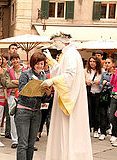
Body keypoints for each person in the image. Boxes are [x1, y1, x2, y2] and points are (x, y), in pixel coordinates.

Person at [42, 32, 93, 160]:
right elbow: (62, 70)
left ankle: (67, 155)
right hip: (63, 93)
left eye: (56, 42)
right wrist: (51, 60)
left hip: (70, 96)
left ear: (63, 41)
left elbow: (70, 76)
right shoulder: (67, 53)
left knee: (68, 127)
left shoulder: (70, 54)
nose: (54, 44)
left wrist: (52, 81)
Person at [15, 52, 51, 160]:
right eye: (37, 63)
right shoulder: (25, 74)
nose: (39, 66)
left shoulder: (44, 76)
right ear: (32, 63)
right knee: (23, 143)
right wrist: (33, 89)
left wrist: (48, 94)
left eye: (42, 63)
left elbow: (44, 99)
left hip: (36, 112)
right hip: (23, 111)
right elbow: (21, 92)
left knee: (31, 144)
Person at [5, 53, 28, 149]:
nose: (15, 61)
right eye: (13, 59)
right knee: (12, 117)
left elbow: (28, 82)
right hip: (12, 96)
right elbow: (8, 84)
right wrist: (20, 83)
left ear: (19, 59)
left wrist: (16, 82)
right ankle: (15, 140)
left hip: (24, 95)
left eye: (16, 59)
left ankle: (23, 139)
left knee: (24, 118)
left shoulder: (26, 69)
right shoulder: (9, 70)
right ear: (11, 61)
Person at [85, 56, 103, 138]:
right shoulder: (85, 71)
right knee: (88, 111)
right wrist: (86, 82)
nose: (92, 63)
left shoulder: (101, 71)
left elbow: (105, 81)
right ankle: (87, 129)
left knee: (96, 112)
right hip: (89, 92)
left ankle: (96, 129)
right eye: (90, 61)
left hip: (98, 92)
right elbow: (81, 80)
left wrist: (99, 82)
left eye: (94, 61)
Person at [99, 57, 115, 141]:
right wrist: (103, 85)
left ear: (113, 64)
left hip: (113, 95)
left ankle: (114, 133)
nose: (107, 64)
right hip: (104, 94)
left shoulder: (115, 73)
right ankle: (103, 132)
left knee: (112, 114)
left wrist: (107, 84)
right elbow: (101, 84)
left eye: (109, 63)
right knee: (103, 113)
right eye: (106, 63)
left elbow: (114, 85)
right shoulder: (104, 74)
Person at [109, 65, 117, 147]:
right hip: (115, 96)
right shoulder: (115, 70)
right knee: (112, 117)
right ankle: (114, 134)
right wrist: (114, 75)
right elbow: (112, 83)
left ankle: (115, 135)